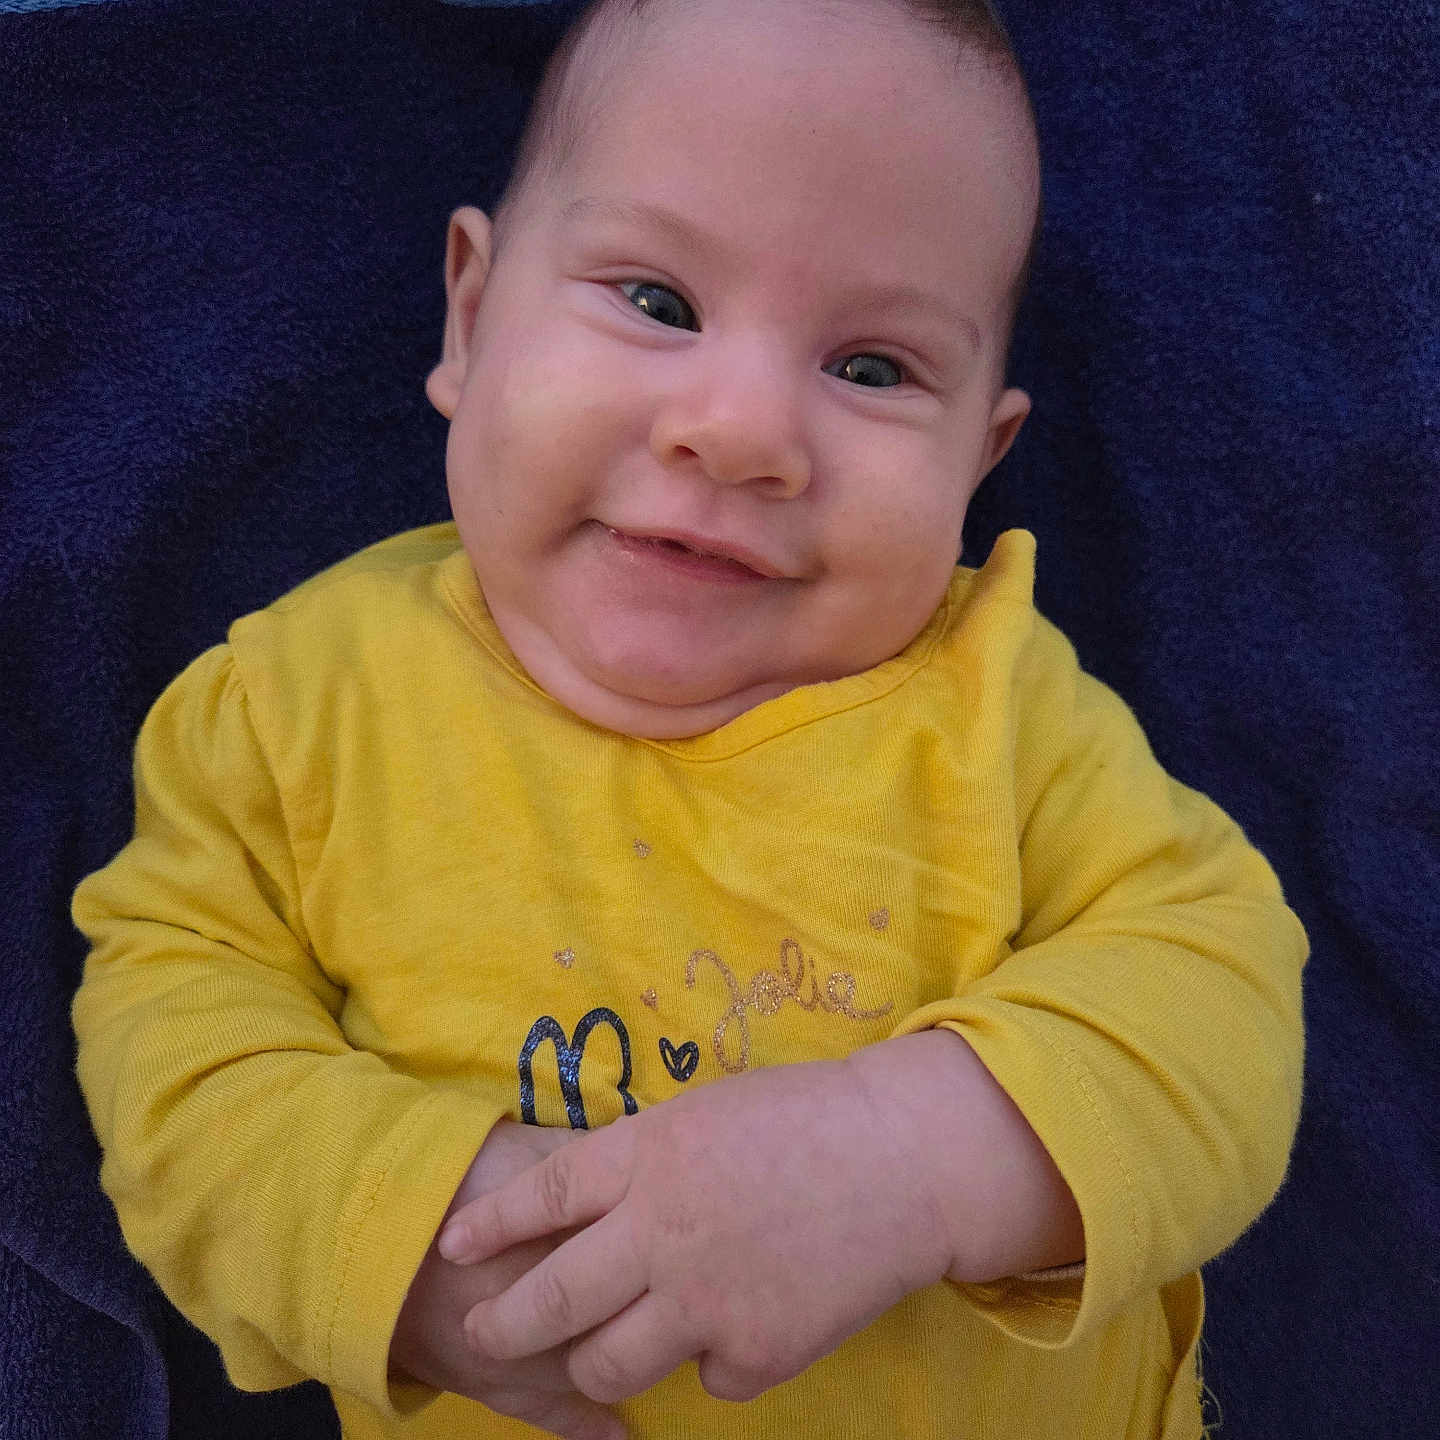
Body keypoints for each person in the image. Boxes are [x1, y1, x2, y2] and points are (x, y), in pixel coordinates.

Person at [70, 0, 1307, 1437]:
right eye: (656, 301)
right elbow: (171, 1043)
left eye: (871, 369)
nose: (741, 432)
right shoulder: (291, 708)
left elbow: (1221, 988)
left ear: (982, 457)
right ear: (471, 316)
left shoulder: (994, 706)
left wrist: (915, 1156)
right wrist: (396, 1242)